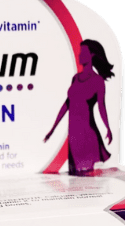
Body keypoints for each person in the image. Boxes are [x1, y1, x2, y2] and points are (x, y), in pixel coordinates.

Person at [44, 39, 114, 175]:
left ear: (92, 55)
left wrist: (108, 128)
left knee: (86, 177)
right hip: (74, 136)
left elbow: (101, 107)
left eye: (83, 52)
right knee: (74, 177)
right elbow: (66, 105)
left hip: (87, 135)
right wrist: (52, 130)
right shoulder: (75, 78)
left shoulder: (98, 81)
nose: (79, 55)